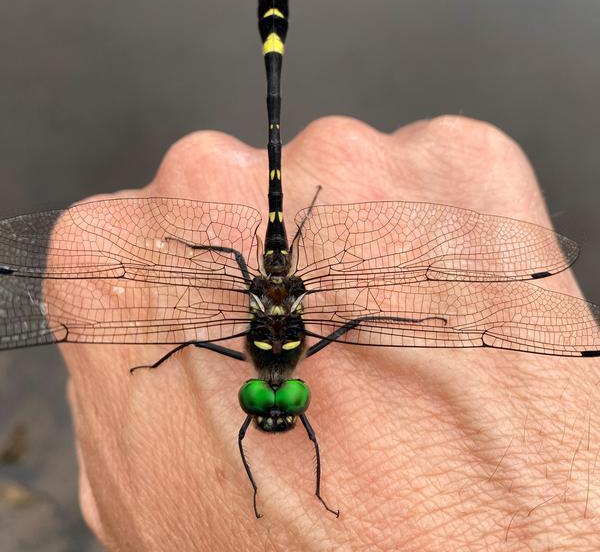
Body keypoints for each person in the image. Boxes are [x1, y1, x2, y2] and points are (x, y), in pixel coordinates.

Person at [61, 115, 600, 551]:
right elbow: (351, 324)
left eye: (265, 400)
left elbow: (356, 322)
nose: (274, 402)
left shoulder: (268, 360)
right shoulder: (284, 360)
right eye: (284, 400)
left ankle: (300, 211)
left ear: (253, 392)